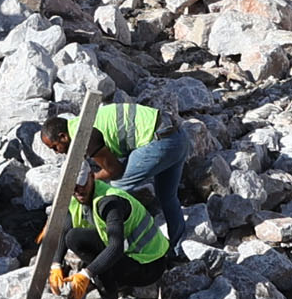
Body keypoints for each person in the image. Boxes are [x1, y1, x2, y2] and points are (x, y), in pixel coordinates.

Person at [38, 95, 195, 242]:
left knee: (116, 188)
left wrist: (89, 181)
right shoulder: (81, 124)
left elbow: (115, 171)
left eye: (55, 147)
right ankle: (179, 244)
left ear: (63, 137)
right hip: (178, 137)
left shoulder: (84, 135)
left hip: (161, 143)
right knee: (167, 196)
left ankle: (114, 242)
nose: (57, 152)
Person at [50, 172, 173, 299]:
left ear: (91, 176)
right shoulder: (76, 197)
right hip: (130, 256)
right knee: (74, 237)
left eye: (82, 184)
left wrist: (86, 274)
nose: (78, 190)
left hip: (150, 265)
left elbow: (116, 247)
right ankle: (110, 284)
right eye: (73, 187)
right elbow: (66, 228)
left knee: (90, 256)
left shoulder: (109, 203)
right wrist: (56, 265)